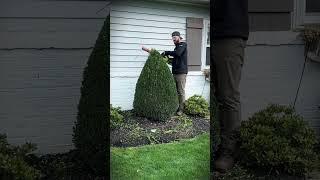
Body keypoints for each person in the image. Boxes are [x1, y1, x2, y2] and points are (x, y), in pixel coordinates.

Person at [211, 0, 249, 173]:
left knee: (228, 96)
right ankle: (217, 145)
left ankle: (230, 151)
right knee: (215, 96)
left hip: (228, 31)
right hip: (212, 30)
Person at [161, 31, 188, 116]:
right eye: (172, 38)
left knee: (180, 91)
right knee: (175, 91)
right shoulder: (176, 47)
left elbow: (178, 54)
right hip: (175, 72)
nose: (173, 40)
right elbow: (176, 59)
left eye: (175, 38)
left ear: (179, 37)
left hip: (181, 73)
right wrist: (168, 59)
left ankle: (181, 109)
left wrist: (166, 52)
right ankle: (176, 107)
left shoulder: (183, 45)